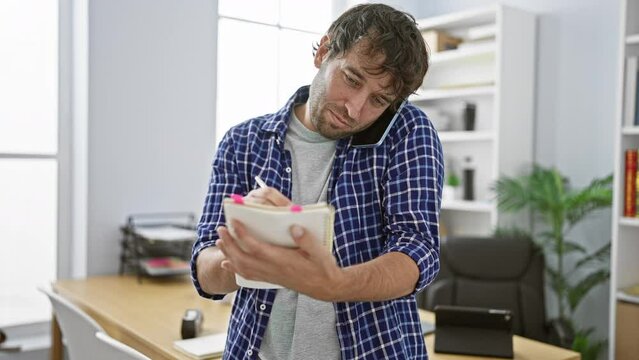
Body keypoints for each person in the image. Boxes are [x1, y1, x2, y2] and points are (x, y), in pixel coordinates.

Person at [191, 3, 443, 359]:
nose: (355, 108)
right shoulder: (244, 141)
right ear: (324, 51)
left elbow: (418, 250)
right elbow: (204, 272)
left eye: (379, 99)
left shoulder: (407, 132)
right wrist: (246, 254)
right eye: (352, 79)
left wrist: (333, 284)